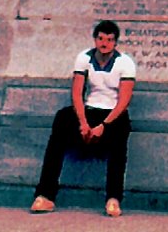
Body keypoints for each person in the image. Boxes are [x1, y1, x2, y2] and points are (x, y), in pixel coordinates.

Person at [30, 20, 136, 217]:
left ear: (115, 42)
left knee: (121, 133)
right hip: (89, 110)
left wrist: (104, 125)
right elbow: (77, 92)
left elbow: (124, 101)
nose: (105, 43)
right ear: (95, 39)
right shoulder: (84, 58)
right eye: (101, 39)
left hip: (112, 114)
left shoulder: (125, 63)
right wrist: (83, 123)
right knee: (62, 119)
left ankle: (113, 197)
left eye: (110, 40)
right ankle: (45, 194)